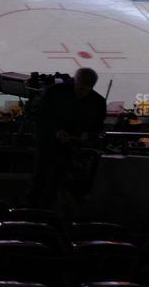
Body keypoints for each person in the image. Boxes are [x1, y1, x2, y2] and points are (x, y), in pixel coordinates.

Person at [27, 67, 106, 207]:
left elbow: (97, 127)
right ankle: (30, 206)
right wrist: (55, 132)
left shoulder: (98, 102)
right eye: (80, 88)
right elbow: (39, 116)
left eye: (86, 90)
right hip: (47, 143)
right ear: (75, 81)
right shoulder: (54, 91)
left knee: (56, 179)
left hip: (70, 147)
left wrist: (85, 136)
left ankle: (46, 208)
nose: (81, 93)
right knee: (39, 176)